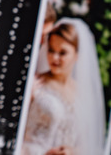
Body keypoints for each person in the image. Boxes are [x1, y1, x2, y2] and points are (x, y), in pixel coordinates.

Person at [21, 19, 105, 155]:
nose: (54, 58)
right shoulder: (36, 84)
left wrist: (72, 151)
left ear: (77, 55)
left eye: (62, 53)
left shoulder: (83, 94)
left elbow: (86, 143)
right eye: (51, 50)